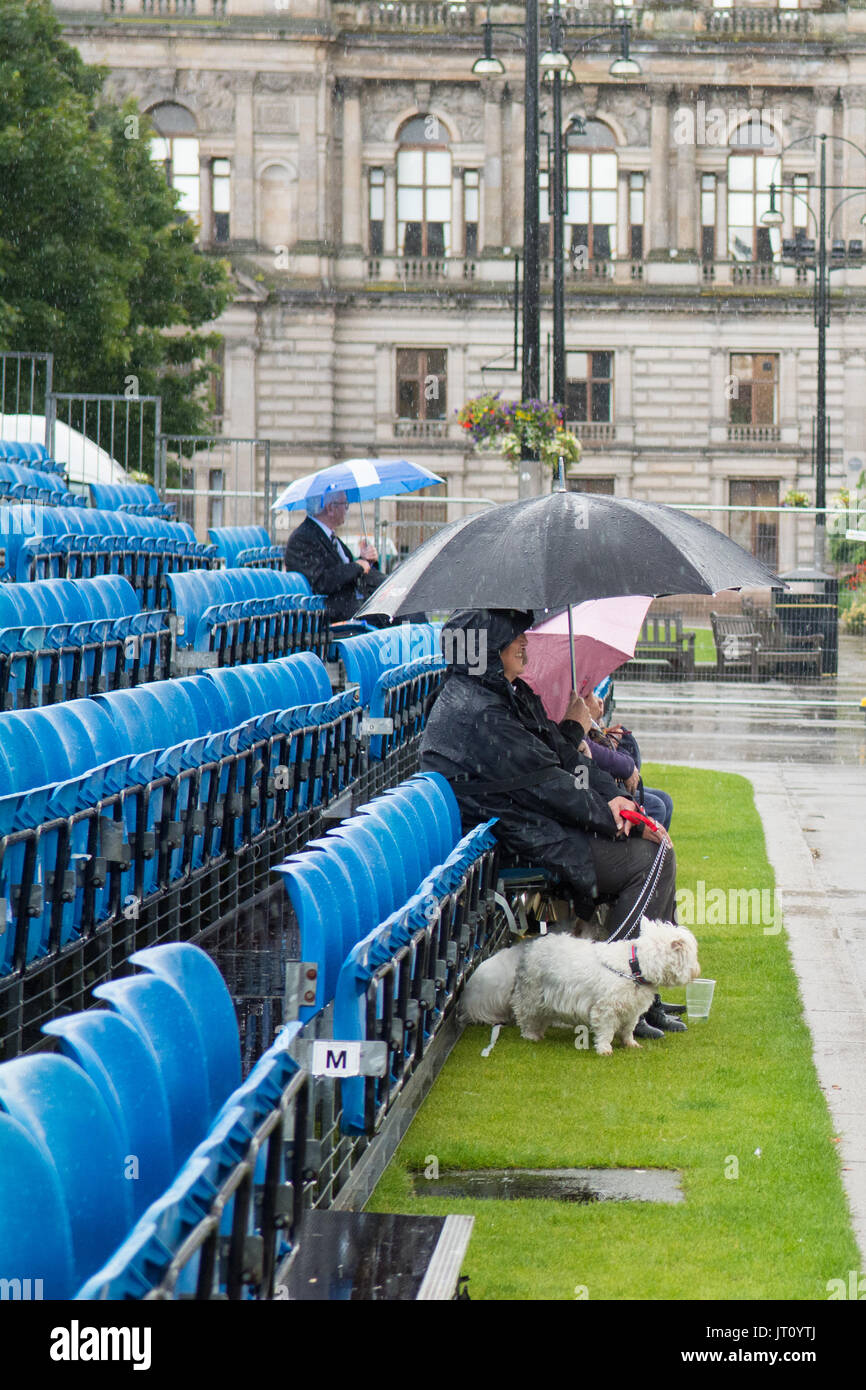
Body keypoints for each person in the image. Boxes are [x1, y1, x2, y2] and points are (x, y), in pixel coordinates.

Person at [420, 609, 685, 1037]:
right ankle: (618, 987)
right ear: (489, 649)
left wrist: (609, 791)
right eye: (515, 636)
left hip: (529, 824)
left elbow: (556, 760)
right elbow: (547, 783)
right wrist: (610, 815)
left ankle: (643, 996)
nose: (525, 641)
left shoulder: (496, 694)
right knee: (651, 860)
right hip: (517, 837)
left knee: (656, 850)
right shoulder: (480, 709)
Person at [282, 487, 385, 622]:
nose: (347, 510)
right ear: (330, 508)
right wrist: (357, 566)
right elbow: (320, 582)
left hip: (353, 606)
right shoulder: (303, 538)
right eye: (345, 504)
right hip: (332, 617)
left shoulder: (327, 535)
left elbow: (344, 569)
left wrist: (366, 561)